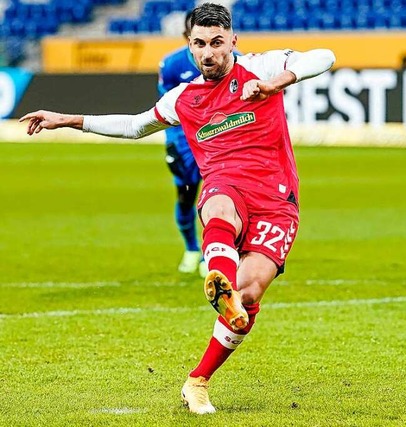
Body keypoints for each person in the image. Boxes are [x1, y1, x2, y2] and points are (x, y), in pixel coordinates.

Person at [20, 2, 335, 414]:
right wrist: (68, 119)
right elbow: (135, 126)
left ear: (232, 42)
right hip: (227, 185)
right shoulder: (182, 98)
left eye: (217, 43)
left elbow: (325, 57)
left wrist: (281, 81)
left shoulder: (260, 68)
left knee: (250, 292)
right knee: (219, 203)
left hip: (278, 201)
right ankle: (218, 278)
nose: (209, 52)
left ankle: (198, 380)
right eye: (200, 44)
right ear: (190, 46)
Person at [158, 10, 205, 276]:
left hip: (220, 144)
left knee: (221, 199)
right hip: (184, 143)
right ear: (187, 37)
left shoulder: (235, 61)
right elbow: (166, 109)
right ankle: (191, 248)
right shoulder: (173, 65)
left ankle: (214, 254)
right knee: (186, 197)